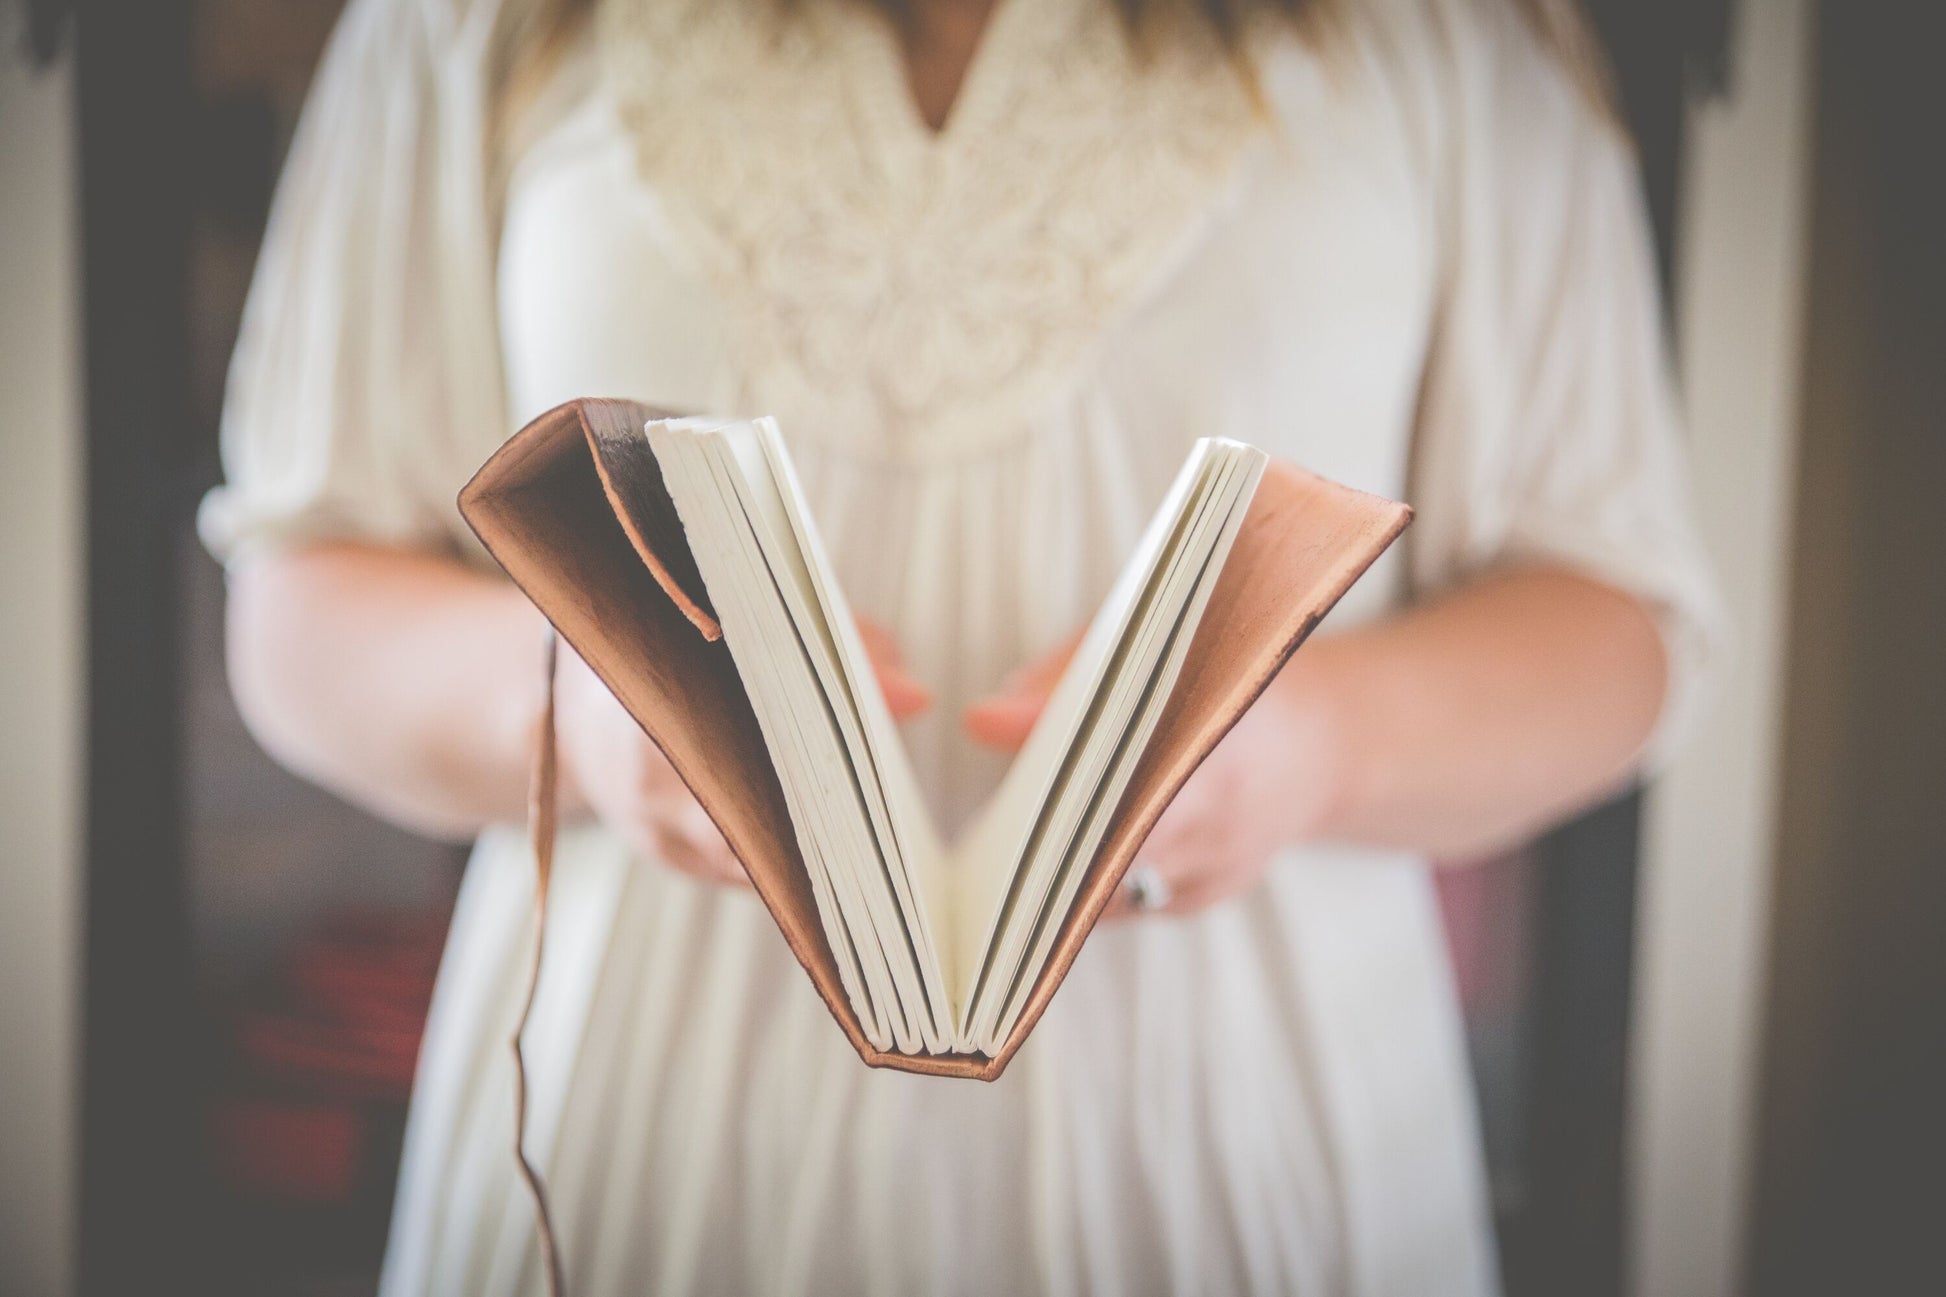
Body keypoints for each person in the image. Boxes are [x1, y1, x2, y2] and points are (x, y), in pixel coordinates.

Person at [206, 0, 1721, 1291]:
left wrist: (1316, 741)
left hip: (1250, 1159)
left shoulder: (1454, 34)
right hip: (634, 1152)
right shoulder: (474, 24)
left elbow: (1611, 619)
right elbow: (303, 605)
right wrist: (600, 715)